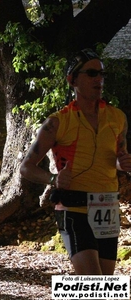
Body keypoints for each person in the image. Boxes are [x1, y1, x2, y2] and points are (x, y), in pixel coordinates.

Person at [20, 49, 131, 275]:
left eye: (101, 74)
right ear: (72, 79)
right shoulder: (58, 122)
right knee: (93, 281)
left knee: (104, 287)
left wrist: (124, 164)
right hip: (74, 207)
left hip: (107, 206)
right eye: (91, 73)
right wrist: (53, 178)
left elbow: (117, 160)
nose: (99, 79)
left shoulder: (117, 117)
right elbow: (25, 168)